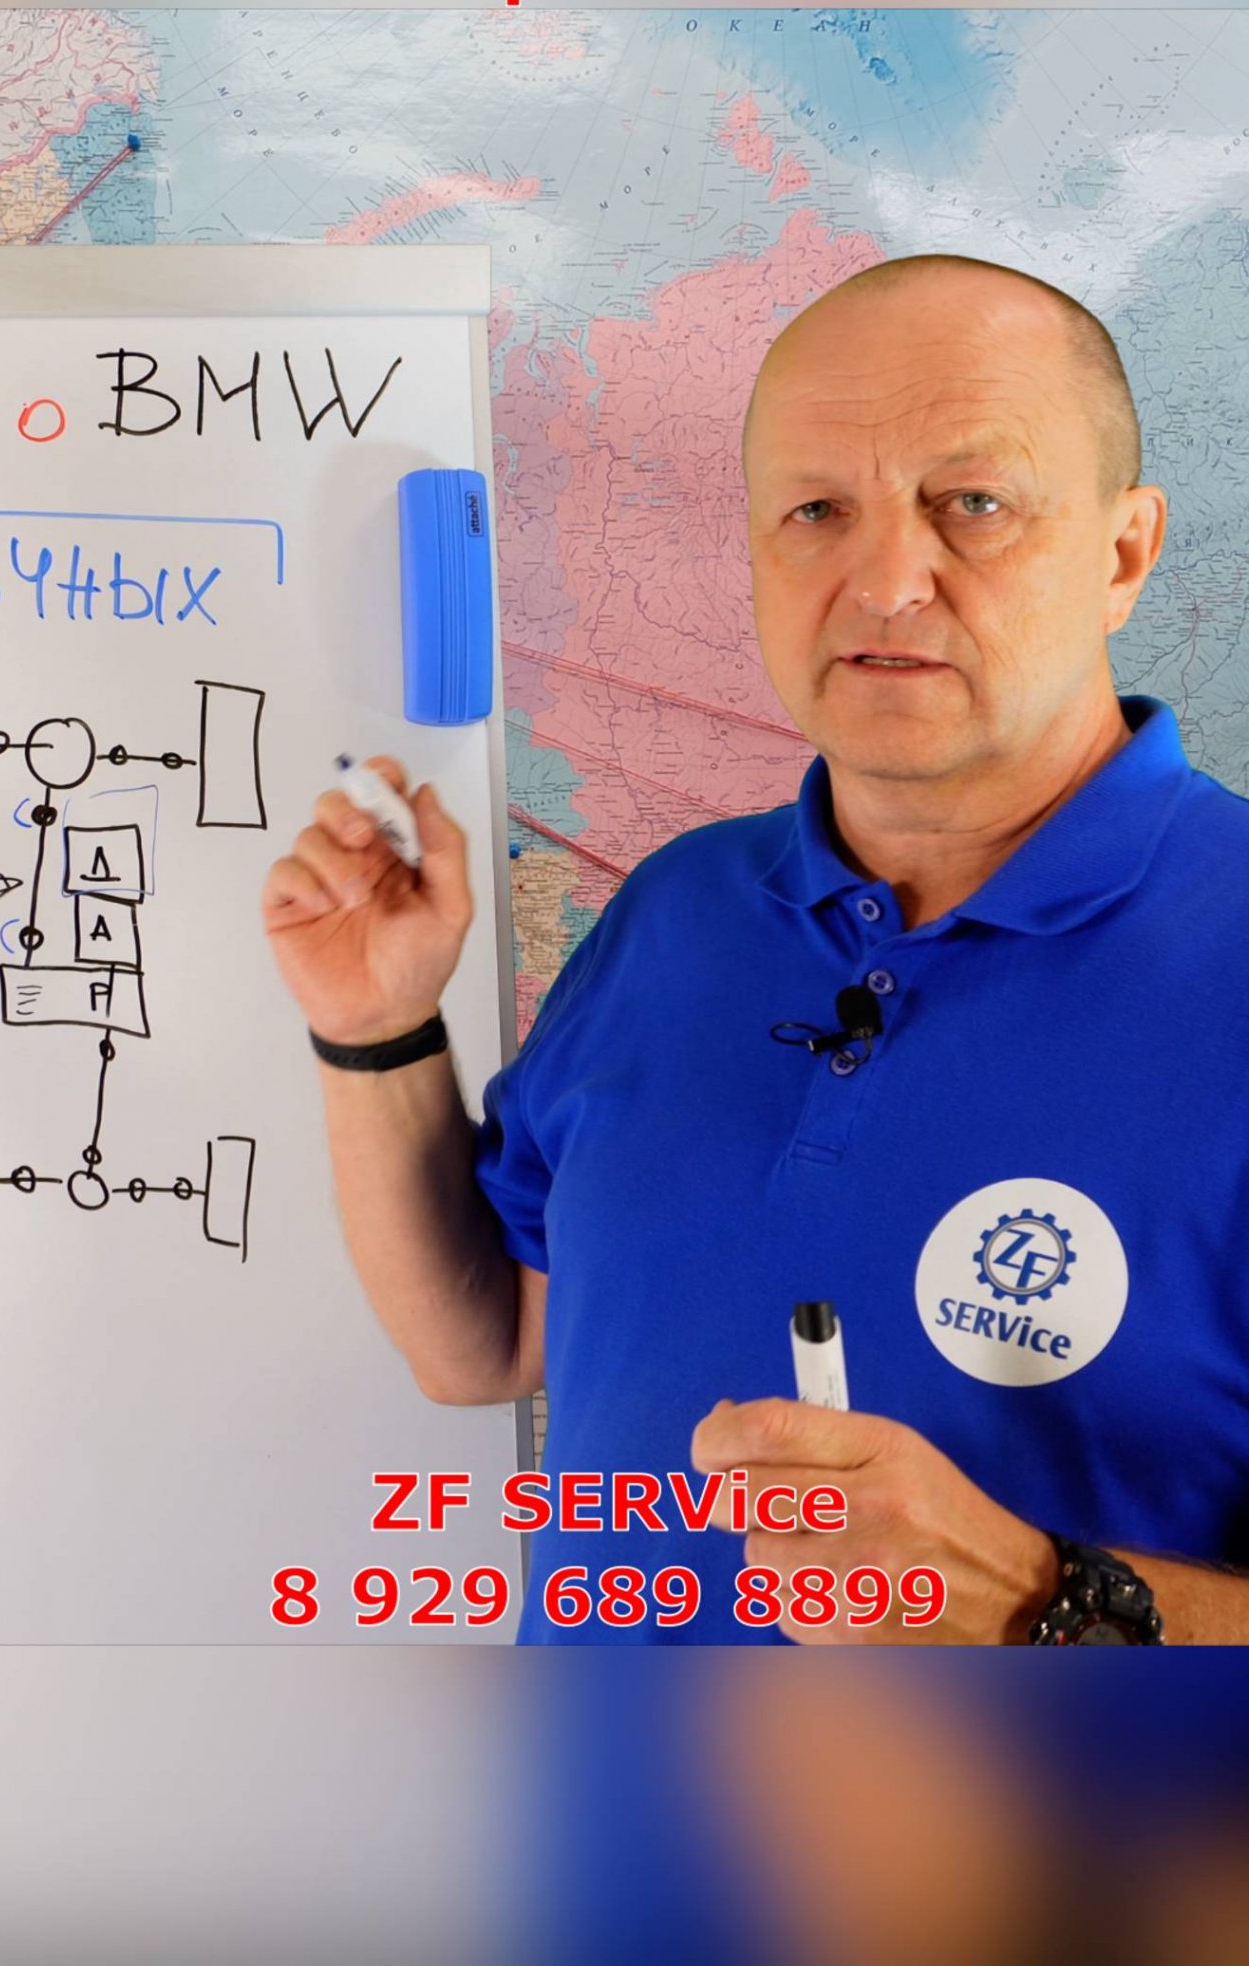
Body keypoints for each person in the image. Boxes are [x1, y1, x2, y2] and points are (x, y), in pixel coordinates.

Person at [262, 253, 1249, 1645]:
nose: (886, 580)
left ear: (1124, 553)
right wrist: (375, 1028)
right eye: (817, 510)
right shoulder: (677, 912)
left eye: (972, 502)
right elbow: (484, 1343)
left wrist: (1049, 1605)